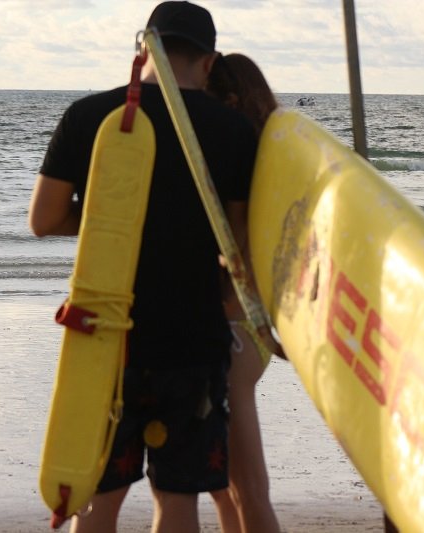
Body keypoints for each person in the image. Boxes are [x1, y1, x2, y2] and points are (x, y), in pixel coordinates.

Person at [29, 3, 265, 532]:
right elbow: (238, 243)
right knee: (177, 498)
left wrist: (116, 221)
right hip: (192, 342)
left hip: (105, 341)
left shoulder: (89, 116)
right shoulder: (232, 131)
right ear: (208, 63)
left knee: (97, 497)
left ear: (142, 49)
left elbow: (43, 219)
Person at [206, 52, 282, 533]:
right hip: (248, 327)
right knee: (225, 488)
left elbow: (243, 250)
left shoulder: (241, 160)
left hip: (236, 326)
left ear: (228, 99)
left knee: (246, 488)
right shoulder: (267, 157)